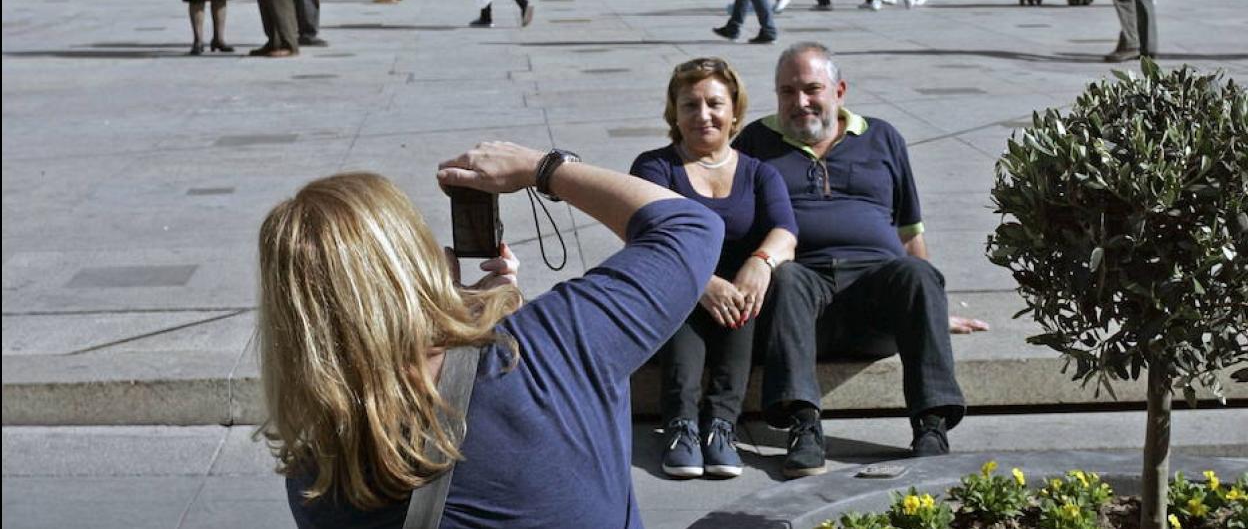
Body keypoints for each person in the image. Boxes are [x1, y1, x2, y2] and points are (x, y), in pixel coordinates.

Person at [258, 143, 723, 527]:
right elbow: (689, 227)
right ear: (414, 265)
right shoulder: (551, 348)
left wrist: (472, 323)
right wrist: (543, 168)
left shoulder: (316, 470)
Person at [733, 42, 971, 478]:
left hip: (876, 299)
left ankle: (931, 427)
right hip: (800, 303)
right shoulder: (754, 142)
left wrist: (934, 306)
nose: (800, 102)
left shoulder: (882, 137)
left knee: (919, 274)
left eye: (811, 89)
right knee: (786, 278)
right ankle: (804, 426)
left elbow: (910, 232)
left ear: (839, 91)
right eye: (787, 92)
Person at [631, 58, 797, 479]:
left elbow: (786, 230)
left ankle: (721, 424)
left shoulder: (759, 172)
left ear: (735, 111)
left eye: (714, 104)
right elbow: (651, 238)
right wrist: (701, 282)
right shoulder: (655, 167)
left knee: (745, 295)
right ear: (675, 113)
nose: (703, 115)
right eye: (690, 105)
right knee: (684, 293)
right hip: (676, 286)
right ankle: (681, 425)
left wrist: (759, 263)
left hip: (738, 305)